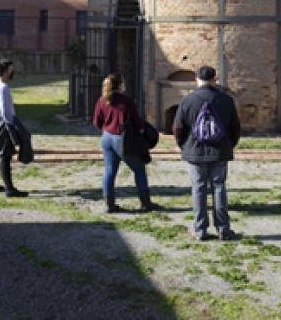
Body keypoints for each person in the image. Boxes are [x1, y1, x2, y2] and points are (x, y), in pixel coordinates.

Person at [172, 65, 241, 241]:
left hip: (195, 151)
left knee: (198, 189)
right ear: (214, 79)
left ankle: (200, 230)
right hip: (219, 151)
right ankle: (223, 229)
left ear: (197, 78)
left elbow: (178, 127)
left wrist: (184, 146)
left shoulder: (188, 100)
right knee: (219, 188)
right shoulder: (226, 99)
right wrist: (228, 144)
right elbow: (235, 128)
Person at [92, 73, 159, 213]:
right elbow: (138, 122)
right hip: (122, 139)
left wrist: (107, 128)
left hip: (106, 137)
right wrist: (143, 133)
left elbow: (96, 123)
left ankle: (109, 204)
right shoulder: (126, 101)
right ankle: (145, 202)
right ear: (119, 85)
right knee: (139, 169)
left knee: (109, 171)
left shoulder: (101, 100)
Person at [0, 60, 27, 197]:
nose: (13, 72)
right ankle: (9, 189)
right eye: (12, 69)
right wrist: (13, 129)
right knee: (5, 157)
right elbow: (6, 112)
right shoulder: (3, 87)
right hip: (2, 128)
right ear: (8, 70)